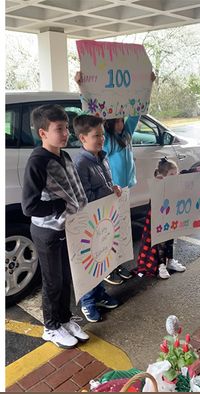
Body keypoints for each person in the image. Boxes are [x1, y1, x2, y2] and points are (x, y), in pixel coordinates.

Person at [74, 71, 156, 284]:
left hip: (124, 190)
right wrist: (82, 86)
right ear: (109, 123)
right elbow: (91, 113)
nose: (121, 123)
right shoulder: (106, 139)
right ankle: (109, 268)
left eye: (122, 120)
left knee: (120, 231)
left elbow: (138, 111)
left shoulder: (126, 133)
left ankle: (117, 264)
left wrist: (148, 85)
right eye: (117, 120)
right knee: (107, 232)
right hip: (109, 193)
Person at [21, 104, 89, 348]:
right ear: (42, 133)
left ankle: (64, 319)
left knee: (65, 278)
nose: (65, 133)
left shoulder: (64, 155)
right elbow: (29, 207)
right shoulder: (37, 162)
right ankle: (50, 327)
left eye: (66, 128)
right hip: (47, 231)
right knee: (52, 281)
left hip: (66, 229)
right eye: (59, 129)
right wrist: (57, 206)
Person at [73, 114, 122, 323]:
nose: (101, 139)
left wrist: (114, 189)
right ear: (83, 139)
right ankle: (88, 301)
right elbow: (83, 196)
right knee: (90, 261)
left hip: (104, 219)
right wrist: (107, 194)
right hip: (89, 222)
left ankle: (99, 293)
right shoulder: (81, 163)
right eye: (96, 136)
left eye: (101, 134)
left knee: (102, 257)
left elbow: (106, 183)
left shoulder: (102, 156)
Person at [137, 158, 187, 279]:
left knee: (170, 238)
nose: (175, 176)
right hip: (158, 218)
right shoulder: (158, 184)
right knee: (161, 241)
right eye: (171, 174)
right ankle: (161, 265)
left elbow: (188, 174)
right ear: (162, 175)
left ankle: (170, 260)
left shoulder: (176, 183)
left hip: (171, 216)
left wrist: (199, 170)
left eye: (176, 173)